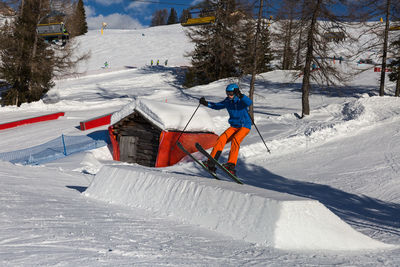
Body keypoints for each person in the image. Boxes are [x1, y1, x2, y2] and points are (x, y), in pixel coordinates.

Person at [199, 83, 252, 175]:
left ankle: (231, 165)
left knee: (236, 140)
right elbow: (216, 106)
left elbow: (249, 102)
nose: (229, 95)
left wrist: (240, 95)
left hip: (244, 126)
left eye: (231, 93)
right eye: (227, 93)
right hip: (234, 126)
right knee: (221, 139)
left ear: (236, 92)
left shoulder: (241, 101)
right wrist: (206, 103)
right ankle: (211, 163)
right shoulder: (227, 101)